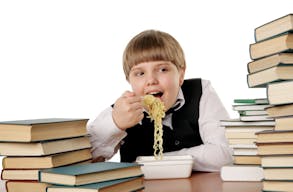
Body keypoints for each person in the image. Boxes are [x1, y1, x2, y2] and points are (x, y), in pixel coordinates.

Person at [87, 29, 233, 172]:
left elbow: (225, 153)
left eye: (163, 69)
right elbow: (84, 159)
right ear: (129, 80)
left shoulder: (201, 92)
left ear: (181, 75)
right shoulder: (122, 110)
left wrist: (153, 162)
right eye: (140, 73)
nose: (151, 80)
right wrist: (115, 124)